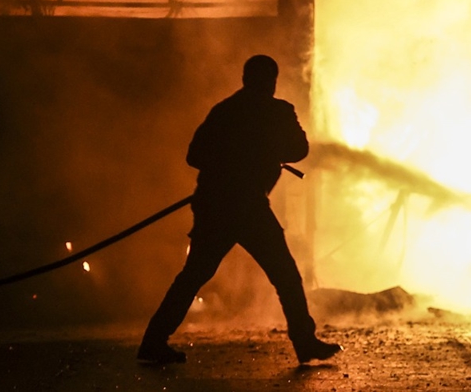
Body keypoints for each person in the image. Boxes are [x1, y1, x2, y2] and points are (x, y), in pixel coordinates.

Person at [138, 55, 342, 365]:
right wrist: (258, 154)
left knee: (193, 276)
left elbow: (195, 155)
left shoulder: (224, 111)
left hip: (215, 205)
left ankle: (153, 341)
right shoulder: (278, 112)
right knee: (285, 274)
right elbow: (299, 149)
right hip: (246, 207)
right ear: (271, 80)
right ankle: (304, 341)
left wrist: (234, 158)